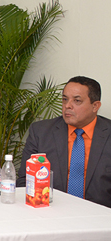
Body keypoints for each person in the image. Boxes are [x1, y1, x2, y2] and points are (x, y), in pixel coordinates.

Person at [17, 76, 111, 207]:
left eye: (77, 101)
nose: (67, 106)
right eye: (65, 99)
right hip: (50, 211)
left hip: (101, 216)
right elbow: (24, 181)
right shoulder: (41, 132)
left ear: (95, 106)